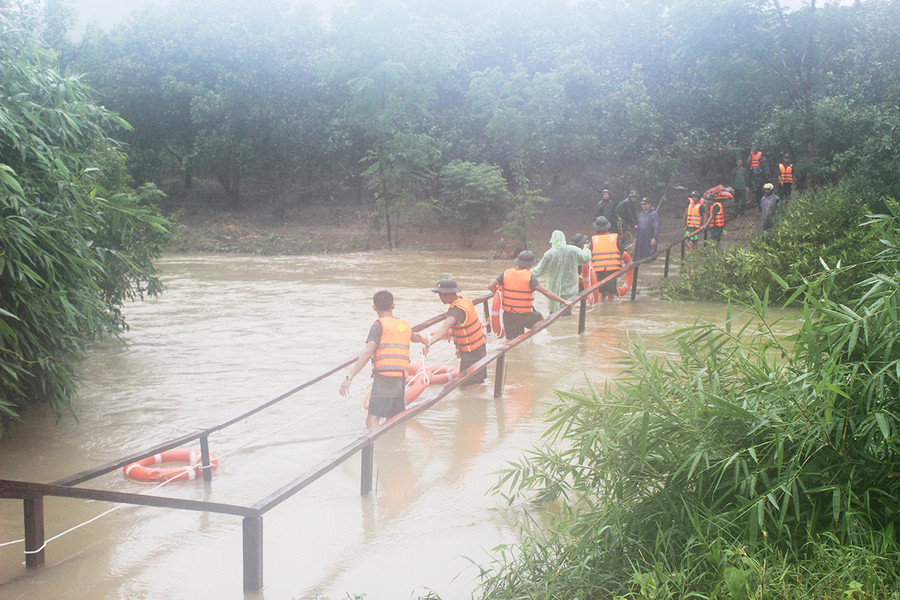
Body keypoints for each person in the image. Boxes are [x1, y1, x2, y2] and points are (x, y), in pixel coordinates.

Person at [340, 290, 429, 429]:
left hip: (384, 378)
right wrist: (425, 341)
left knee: (372, 419)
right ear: (393, 305)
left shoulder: (378, 326)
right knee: (394, 417)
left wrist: (349, 377)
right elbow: (415, 336)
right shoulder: (403, 325)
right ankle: (397, 446)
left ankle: (373, 448)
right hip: (400, 377)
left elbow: (367, 352)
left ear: (374, 308)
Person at [487, 250, 568, 340]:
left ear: (517, 262)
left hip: (508, 315)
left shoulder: (506, 274)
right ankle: (530, 338)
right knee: (540, 318)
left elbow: (490, 286)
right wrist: (564, 301)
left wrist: (505, 297)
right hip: (524, 315)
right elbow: (546, 292)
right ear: (530, 265)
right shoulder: (530, 278)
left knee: (511, 340)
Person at [427, 279, 487, 384]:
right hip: (479, 346)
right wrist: (460, 347)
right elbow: (463, 327)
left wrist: (429, 343)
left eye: (444, 294)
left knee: (466, 385)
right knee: (477, 382)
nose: (441, 297)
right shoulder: (464, 300)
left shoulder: (456, 310)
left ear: (453, 293)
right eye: (440, 295)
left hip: (471, 353)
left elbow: (444, 328)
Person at [531, 230, 592, 313]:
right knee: (568, 307)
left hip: (554, 288)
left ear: (552, 240)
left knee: (554, 312)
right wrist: (586, 249)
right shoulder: (572, 250)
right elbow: (586, 258)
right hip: (570, 287)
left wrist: (525, 272)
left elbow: (539, 271)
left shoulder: (549, 254)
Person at [590, 216, 626, 302]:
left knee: (602, 293)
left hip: (598, 270)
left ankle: (601, 309)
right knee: (611, 293)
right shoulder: (615, 237)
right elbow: (621, 251)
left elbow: (590, 253)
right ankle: (610, 311)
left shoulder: (593, 239)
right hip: (612, 270)